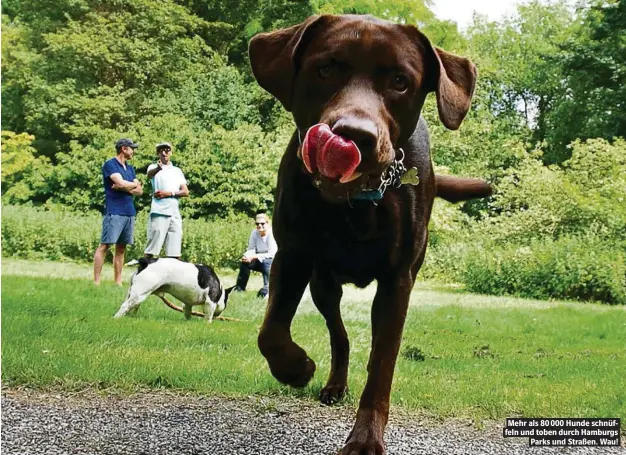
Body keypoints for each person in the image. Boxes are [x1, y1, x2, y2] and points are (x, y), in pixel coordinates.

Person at [93, 138, 143, 285]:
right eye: (132, 148)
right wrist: (131, 185)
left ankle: (118, 282)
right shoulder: (110, 164)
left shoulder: (130, 168)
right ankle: (96, 282)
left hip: (129, 211)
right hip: (114, 210)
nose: (133, 151)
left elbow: (139, 191)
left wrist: (126, 186)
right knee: (105, 245)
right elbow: (120, 182)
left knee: (121, 248)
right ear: (124, 149)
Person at [144, 142, 189, 259]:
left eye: (167, 150)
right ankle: (144, 272)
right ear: (158, 153)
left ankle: (173, 275)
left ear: (171, 152)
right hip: (160, 211)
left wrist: (169, 193)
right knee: (152, 247)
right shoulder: (153, 167)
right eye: (161, 150)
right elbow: (149, 175)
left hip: (174, 212)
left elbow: (185, 191)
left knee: (175, 250)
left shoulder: (177, 171)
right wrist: (158, 168)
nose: (164, 152)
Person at [234, 213, 277, 298]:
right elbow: (251, 249)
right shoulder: (254, 233)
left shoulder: (271, 234)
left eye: (262, 223)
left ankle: (267, 289)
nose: (259, 226)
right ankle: (240, 288)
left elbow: (272, 254)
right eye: (257, 224)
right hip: (258, 259)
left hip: (271, 261)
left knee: (266, 262)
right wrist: (247, 256)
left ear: (267, 223)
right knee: (245, 263)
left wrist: (253, 256)